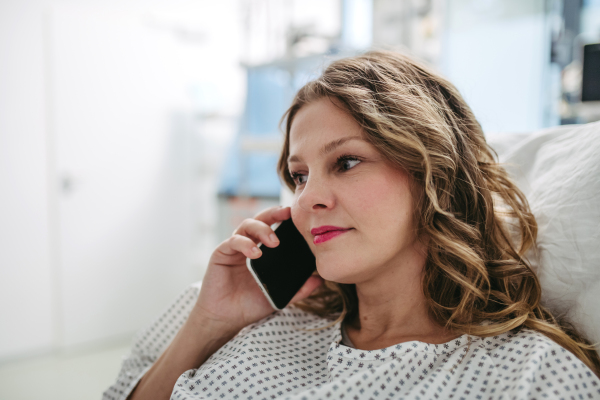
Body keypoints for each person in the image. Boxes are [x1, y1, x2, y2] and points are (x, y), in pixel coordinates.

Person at [104, 51, 600, 400]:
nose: (308, 199)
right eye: (299, 177)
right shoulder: (261, 320)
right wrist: (210, 323)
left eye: (345, 162)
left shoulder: (527, 375)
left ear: (436, 176)